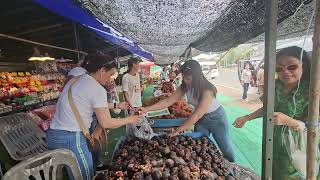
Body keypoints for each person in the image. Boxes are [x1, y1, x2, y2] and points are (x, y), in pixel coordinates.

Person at [47, 54, 140, 180]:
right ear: (102, 71)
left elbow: (87, 103)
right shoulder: (97, 88)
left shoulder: (77, 79)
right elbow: (106, 123)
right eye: (110, 74)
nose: (109, 79)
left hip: (53, 135)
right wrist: (131, 119)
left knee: (65, 174)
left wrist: (116, 105)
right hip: (72, 138)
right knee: (84, 175)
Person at [233, 46, 319, 179]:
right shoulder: (275, 86)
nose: (285, 72)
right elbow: (268, 108)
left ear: (304, 65)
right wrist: (247, 117)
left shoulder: (312, 91)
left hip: (299, 146)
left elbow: (314, 126)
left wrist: (289, 121)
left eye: (292, 67)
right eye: (279, 68)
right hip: (273, 142)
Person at [141, 60, 235, 162]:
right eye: (184, 78)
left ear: (197, 76)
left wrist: (178, 130)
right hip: (201, 119)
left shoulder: (208, 90)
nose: (185, 81)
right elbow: (168, 101)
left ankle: (232, 165)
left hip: (216, 118)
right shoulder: (185, 86)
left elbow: (197, 115)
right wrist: (147, 109)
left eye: (188, 78)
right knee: (200, 145)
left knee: (225, 146)